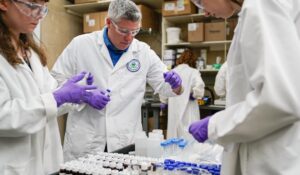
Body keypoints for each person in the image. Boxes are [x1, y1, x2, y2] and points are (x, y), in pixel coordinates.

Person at [51, 0, 183, 161]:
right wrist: (83, 96)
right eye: (123, 31)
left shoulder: (143, 51)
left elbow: (165, 87)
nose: (129, 38)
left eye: (135, 31)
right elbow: (56, 83)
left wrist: (176, 85)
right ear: (108, 23)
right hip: (86, 140)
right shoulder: (80, 45)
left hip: (125, 140)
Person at [189, 0, 300, 174]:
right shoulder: (251, 13)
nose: (204, 12)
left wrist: (214, 125)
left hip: (272, 159)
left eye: (201, 2)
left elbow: (278, 100)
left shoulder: (262, 6)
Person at [0, 0, 108, 174]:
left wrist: (77, 94)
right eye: (32, 6)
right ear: (4, 3)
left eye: (43, 8)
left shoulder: (31, 52)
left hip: (47, 165)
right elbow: (3, 115)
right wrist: (57, 97)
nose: (39, 15)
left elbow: (50, 102)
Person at [160, 49, 205, 139]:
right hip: (189, 107)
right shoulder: (193, 72)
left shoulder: (172, 72)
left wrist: (163, 102)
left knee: (174, 134)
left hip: (174, 107)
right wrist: (195, 94)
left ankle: (173, 151)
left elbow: (163, 88)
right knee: (189, 135)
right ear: (193, 61)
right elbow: (199, 87)